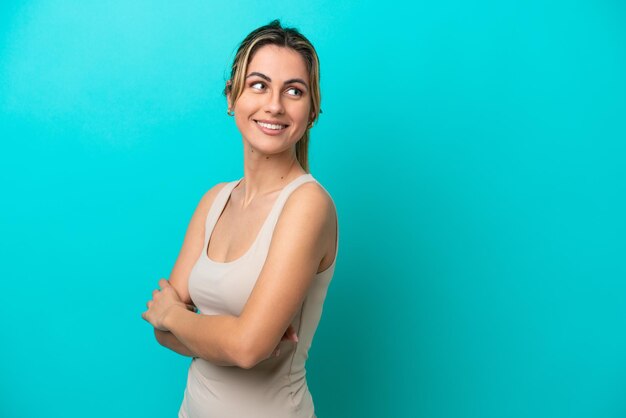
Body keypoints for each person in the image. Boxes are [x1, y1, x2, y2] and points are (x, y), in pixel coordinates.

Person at [141, 19, 339, 418]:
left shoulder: (308, 206)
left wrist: (181, 318)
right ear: (232, 96)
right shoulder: (214, 200)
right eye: (259, 84)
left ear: (312, 110)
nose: (275, 105)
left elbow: (247, 348)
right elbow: (162, 331)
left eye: (294, 91)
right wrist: (228, 337)